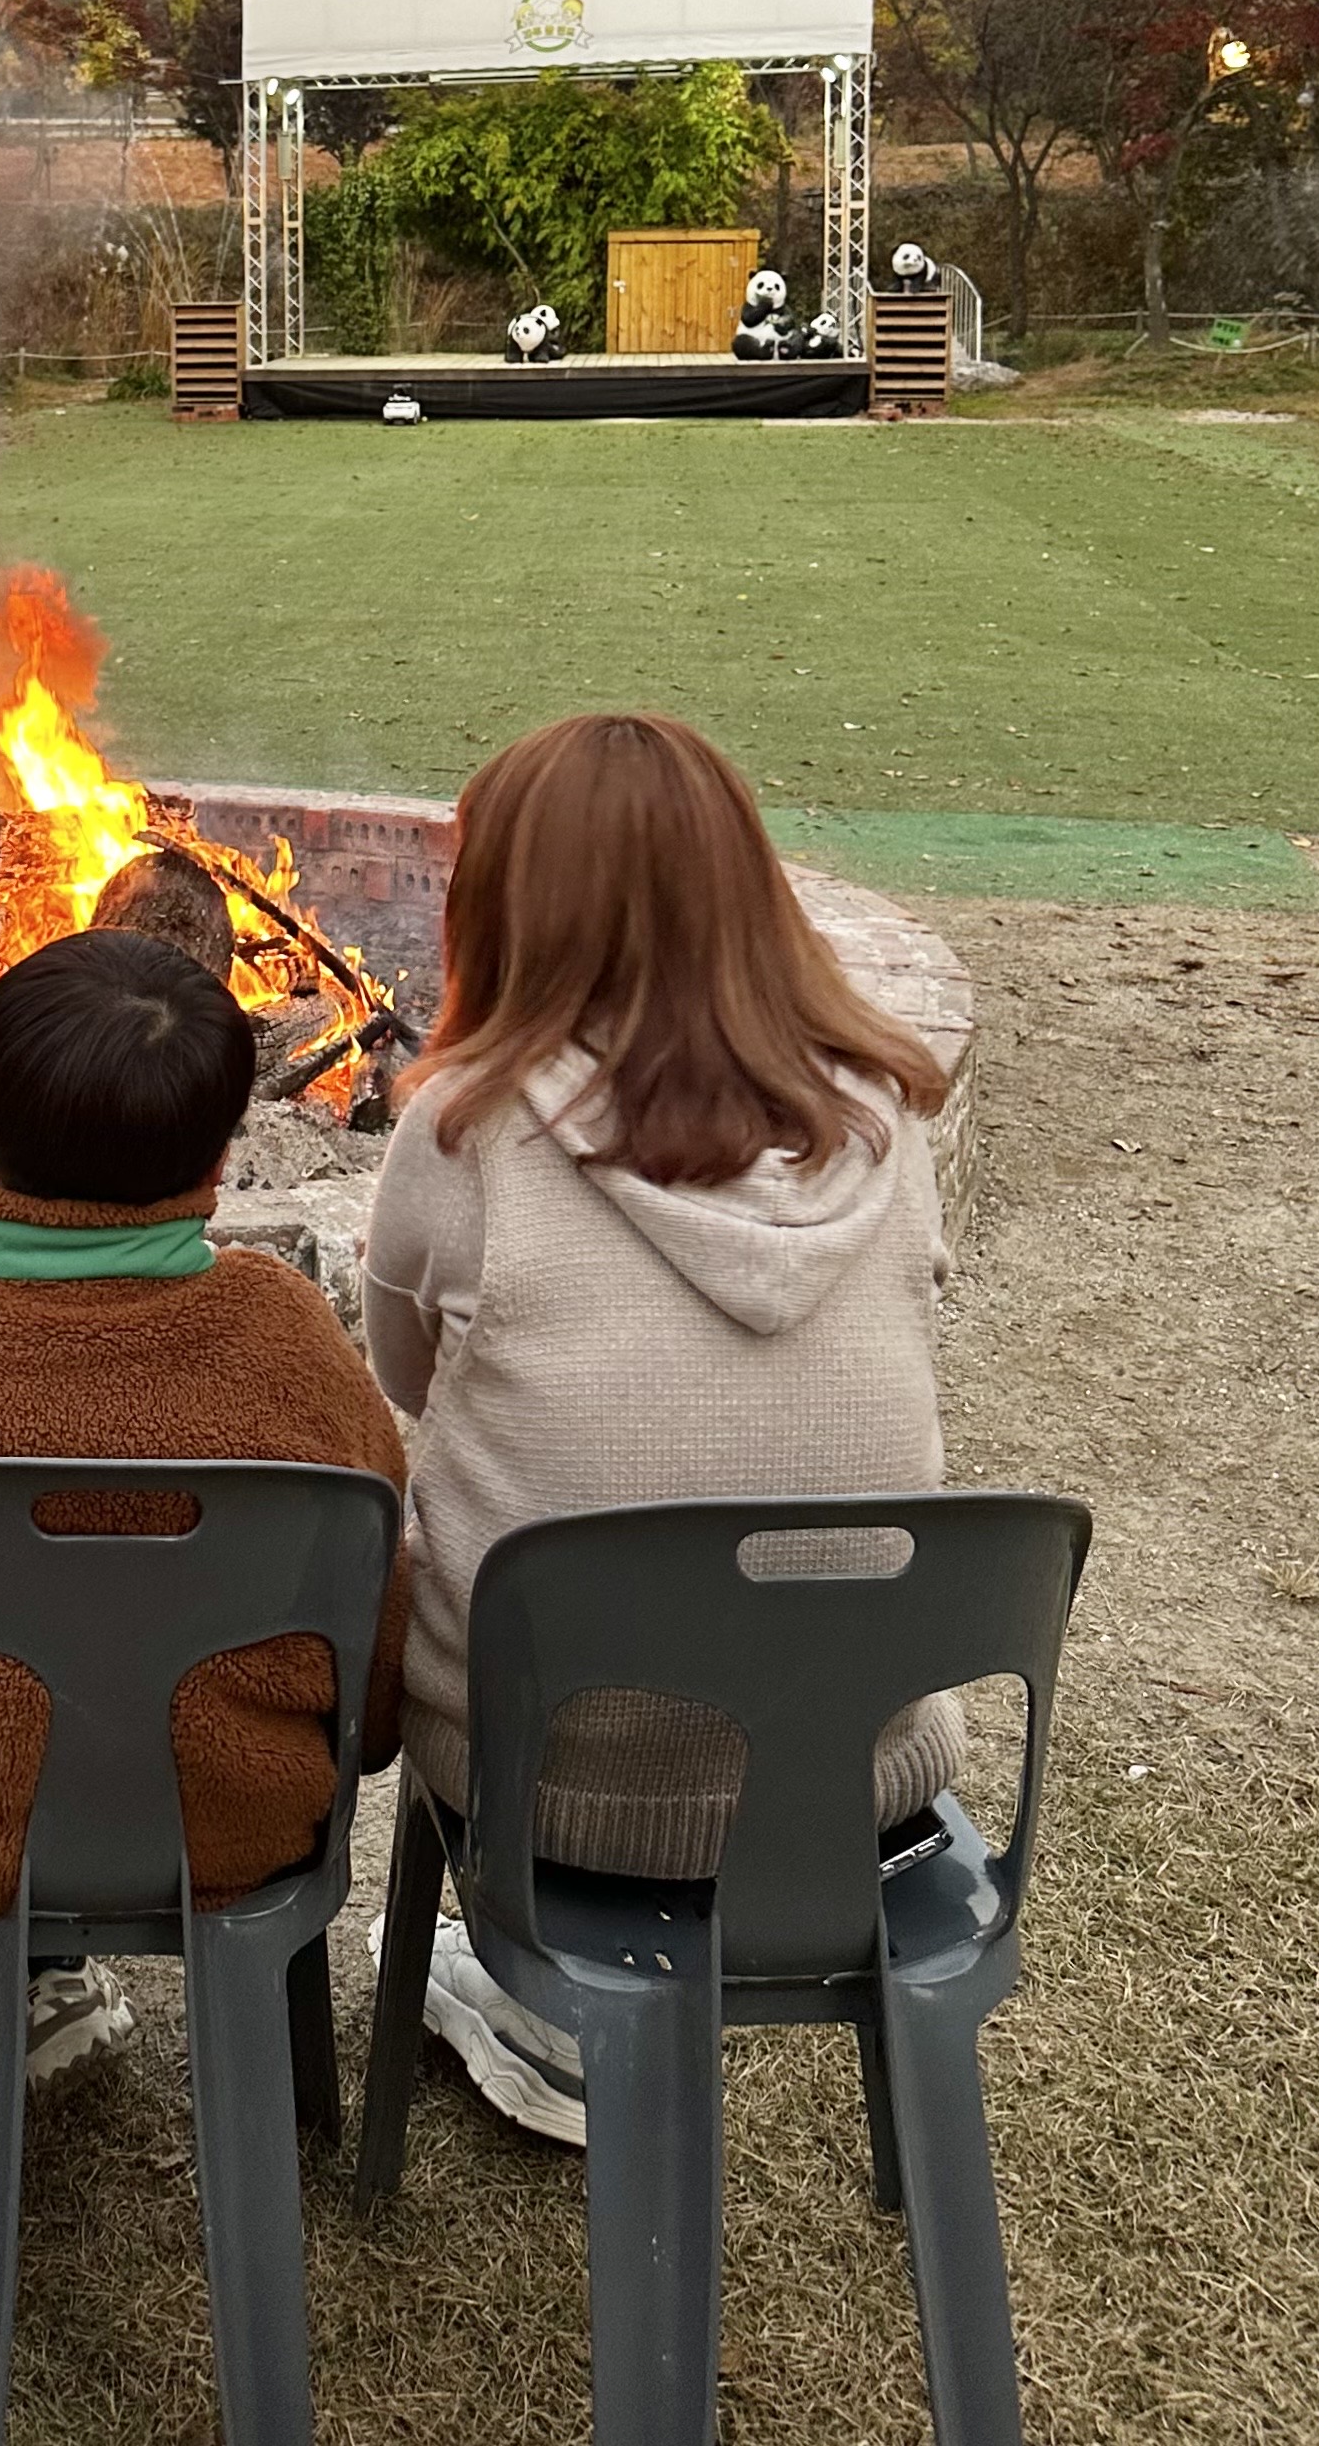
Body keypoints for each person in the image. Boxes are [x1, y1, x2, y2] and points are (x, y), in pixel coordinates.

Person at [362, 711, 962, 2149]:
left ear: (502, 911)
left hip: (555, 1791)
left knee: (417, 1517)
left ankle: (539, 2011)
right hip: (851, 1777)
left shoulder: (462, 1133)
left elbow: (402, 1376)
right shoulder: (884, 1122)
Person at [0, 923, 410, 2084]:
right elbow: (380, 1638)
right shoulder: (299, 1346)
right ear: (220, 1161)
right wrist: (366, 1742)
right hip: (243, 1828)